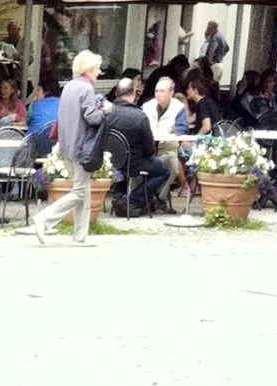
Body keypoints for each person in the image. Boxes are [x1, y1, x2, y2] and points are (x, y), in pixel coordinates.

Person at [32, 49, 106, 245]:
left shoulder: (70, 87)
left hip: (67, 145)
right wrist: (105, 110)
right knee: (80, 191)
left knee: (84, 190)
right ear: (89, 69)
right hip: (82, 147)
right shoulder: (87, 89)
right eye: (97, 69)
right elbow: (92, 117)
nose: (99, 73)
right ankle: (44, 219)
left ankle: (80, 235)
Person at [100, 78, 171, 215]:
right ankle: (131, 200)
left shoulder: (106, 115)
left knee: (121, 166)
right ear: (133, 93)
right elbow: (150, 149)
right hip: (136, 163)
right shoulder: (140, 116)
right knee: (163, 172)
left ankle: (118, 197)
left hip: (112, 162)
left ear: (116, 93)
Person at [144, 75, 191, 210]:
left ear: (171, 93)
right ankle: (147, 196)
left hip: (167, 148)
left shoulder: (178, 108)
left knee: (173, 163)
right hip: (148, 150)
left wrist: (171, 130)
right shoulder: (148, 106)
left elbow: (182, 129)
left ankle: (160, 197)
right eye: (156, 91)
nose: (158, 94)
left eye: (162, 91)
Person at [27, 74, 61, 150]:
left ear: (46, 91)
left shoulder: (34, 105)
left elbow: (28, 122)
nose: (36, 93)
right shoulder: (63, 104)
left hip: (33, 146)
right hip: (55, 146)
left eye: (38, 90)